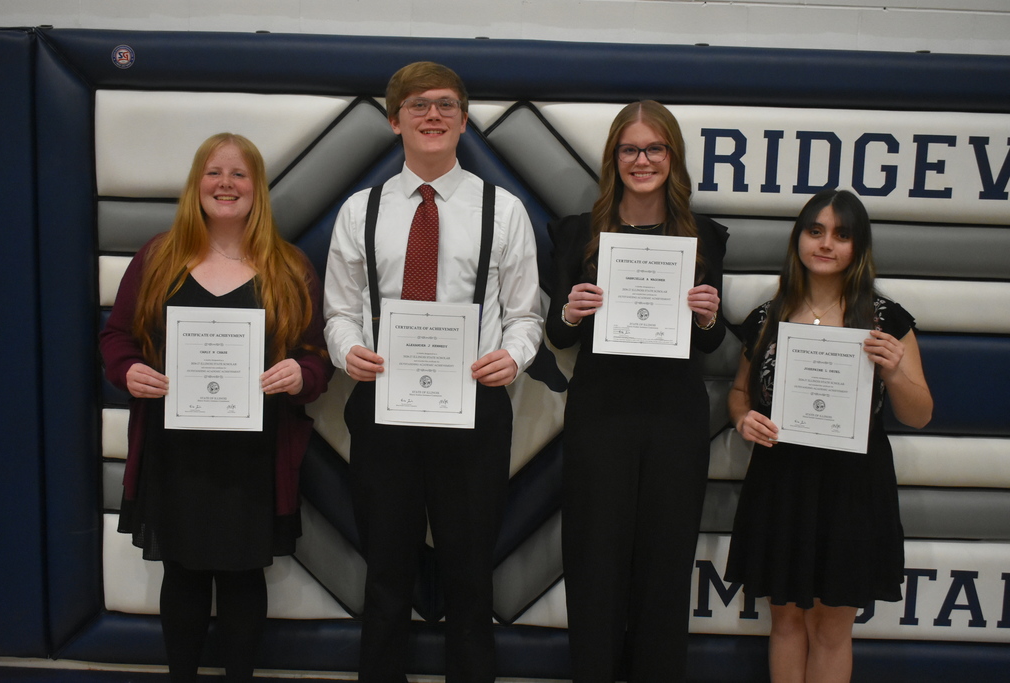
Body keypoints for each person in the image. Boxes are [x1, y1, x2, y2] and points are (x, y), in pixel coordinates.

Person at [322, 61, 543, 683]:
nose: (433, 115)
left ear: (464, 121)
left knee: (472, 580)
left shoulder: (504, 210)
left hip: (474, 411)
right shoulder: (359, 211)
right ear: (395, 121)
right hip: (381, 411)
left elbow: (527, 315)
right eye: (418, 105)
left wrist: (515, 356)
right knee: (387, 577)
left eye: (446, 105)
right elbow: (339, 311)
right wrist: (346, 353)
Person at [99, 133, 332, 683]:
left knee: (243, 576)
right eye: (213, 172)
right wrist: (127, 371)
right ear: (195, 185)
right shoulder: (158, 258)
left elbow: (317, 358)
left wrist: (301, 374)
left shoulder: (289, 267)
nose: (225, 184)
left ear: (257, 189)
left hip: (255, 452)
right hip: (173, 446)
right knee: (180, 573)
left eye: (239, 174)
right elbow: (117, 337)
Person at [546, 100, 729, 683]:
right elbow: (557, 334)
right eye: (630, 149)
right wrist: (572, 311)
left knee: (665, 568)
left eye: (655, 148)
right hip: (601, 415)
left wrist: (707, 318)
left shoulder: (705, 237)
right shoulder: (578, 233)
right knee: (595, 566)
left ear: (672, 157)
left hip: (675, 421)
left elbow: (711, 343)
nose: (642, 160)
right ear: (613, 158)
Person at [724, 189, 933, 683]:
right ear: (798, 237)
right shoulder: (768, 318)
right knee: (787, 622)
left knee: (832, 628)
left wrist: (895, 373)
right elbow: (738, 392)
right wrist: (742, 420)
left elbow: (919, 414)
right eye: (815, 231)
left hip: (853, 484)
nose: (826, 244)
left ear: (858, 247)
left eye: (841, 235)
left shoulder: (886, 321)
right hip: (782, 479)